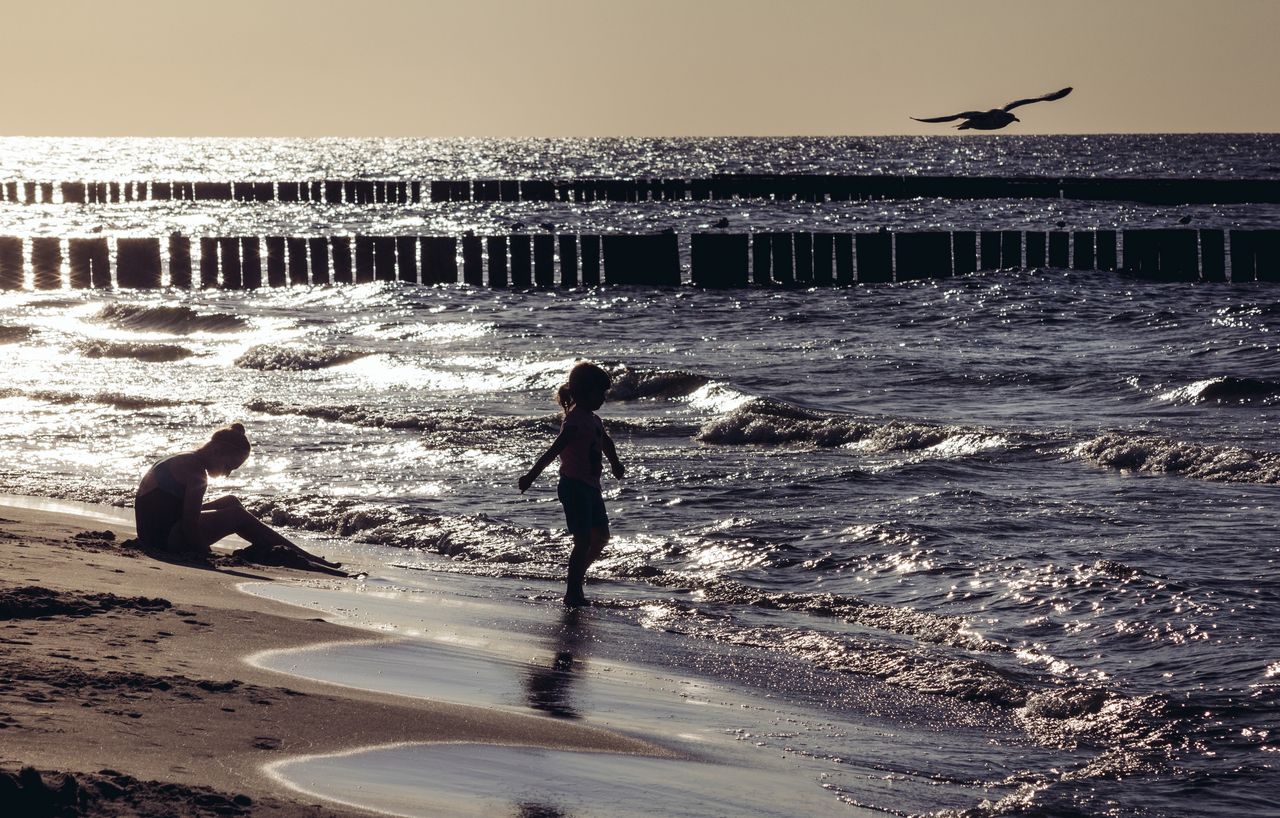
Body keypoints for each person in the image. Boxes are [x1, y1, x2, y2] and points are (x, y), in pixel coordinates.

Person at [134, 423, 345, 575]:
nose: (227, 475)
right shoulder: (196, 472)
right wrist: (205, 555)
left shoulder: (186, 458)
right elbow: (190, 524)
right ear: (216, 450)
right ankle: (304, 556)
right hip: (162, 539)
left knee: (230, 501)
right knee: (235, 515)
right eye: (228, 467)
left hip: (153, 531)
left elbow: (178, 510)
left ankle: (301, 554)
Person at [519, 362, 625, 606]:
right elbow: (552, 451)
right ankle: (573, 591)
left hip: (591, 488)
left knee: (601, 538)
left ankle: (576, 579)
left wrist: (615, 464)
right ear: (582, 393)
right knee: (583, 540)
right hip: (574, 487)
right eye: (600, 393)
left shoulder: (594, 419)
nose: (603, 398)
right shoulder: (574, 421)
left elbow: (606, 442)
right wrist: (531, 476)